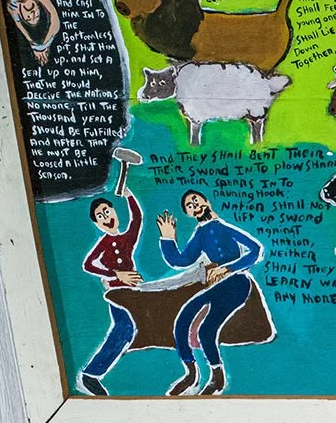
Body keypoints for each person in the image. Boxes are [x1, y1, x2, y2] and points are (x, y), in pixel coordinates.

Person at [156, 190, 265, 397]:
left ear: (206, 202)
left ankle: (216, 377)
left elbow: (256, 249)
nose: (194, 205)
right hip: (217, 287)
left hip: (237, 283)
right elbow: (180, 261)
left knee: (206, 329)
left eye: (196, 200)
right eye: (189, 205)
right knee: (184, 318)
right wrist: (167, 238)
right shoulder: (200, 234)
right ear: (188, 213)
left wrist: (228, 269)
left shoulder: (223, 228)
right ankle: (191, 373)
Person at [78, 163, 143, 397]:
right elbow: (88, 264)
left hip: (134, 292)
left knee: (138, 328)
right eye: (100, 216)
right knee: (125, 329)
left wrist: (129, 195)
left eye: (108, 211)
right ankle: (91, 374)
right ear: (96, 223)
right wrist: (115, 276)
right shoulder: (104, 244)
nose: (106, 217)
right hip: (116, 294)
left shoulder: (126, 240)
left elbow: (137, 219)